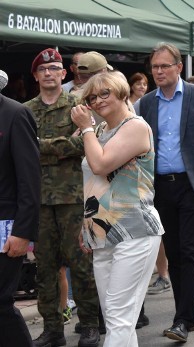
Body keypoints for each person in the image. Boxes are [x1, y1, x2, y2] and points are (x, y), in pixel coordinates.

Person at [70, 72, 163, 346]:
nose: (97, 101)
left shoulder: (135, 126)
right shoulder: (99, 130)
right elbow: (94, 182)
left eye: (104, 93)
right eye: (91, 97)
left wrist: (86, 128)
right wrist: (85, 225)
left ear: (122, 92)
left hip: (135, 230)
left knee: (120, 315)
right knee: (115, 318)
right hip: (102, 234)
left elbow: (100, 165)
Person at [137, 42, 194, 343]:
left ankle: (183, 319)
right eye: (155, 67)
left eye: (164, 66)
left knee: (191, 250)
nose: (158, 71)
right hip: (160, 186)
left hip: (193, 184)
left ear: (178, 67)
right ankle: (187, 315)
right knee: (173, 252)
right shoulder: (147, 102)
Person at [25, 48, 101, 347]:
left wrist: (40, 146)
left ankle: (90, 324)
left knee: (81, 263)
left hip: (72, 198)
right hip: (40, 200)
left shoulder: (78, 106)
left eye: (54, 68)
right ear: (35, 76)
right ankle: (52, 329)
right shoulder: (25, 110)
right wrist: (57, 147)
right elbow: (23, 150)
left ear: (64, 73)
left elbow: (81, 143)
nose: (48, 74)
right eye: (43, 70)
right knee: (44, 267)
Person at [0, 93, 40, 347]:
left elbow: (30, 179)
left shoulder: (15, 113)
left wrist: (23, 231)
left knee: (1, 302)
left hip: (6, 228)